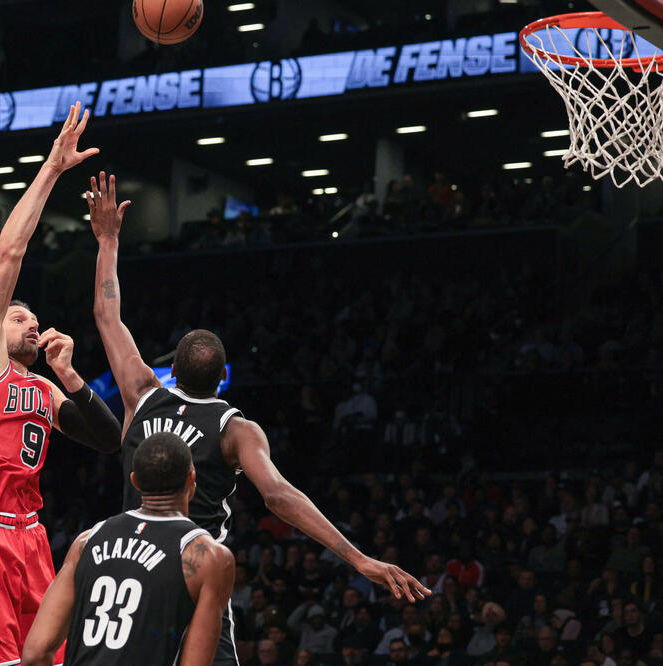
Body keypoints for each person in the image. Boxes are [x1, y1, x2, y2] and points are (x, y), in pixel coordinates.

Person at [84, 171, 431, 666]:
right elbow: (279, 496)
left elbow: (106, 315)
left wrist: (108, 240)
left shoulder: (142, 393)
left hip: (129, 567)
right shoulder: (236, 429)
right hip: (192, 572)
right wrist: (359, 559)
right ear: (222, 376)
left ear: (171, 371)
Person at [0, 102, 122, 666]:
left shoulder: (42, 390)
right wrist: (51, 169)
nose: (31, 323)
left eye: (34, 319)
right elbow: (9, 253)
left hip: (32, 539)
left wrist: (70, 376)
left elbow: (110, 440)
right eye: (20, 317)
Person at [21, 433, 235, 666]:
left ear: (134, 481)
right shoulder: (209, 557)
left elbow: (35, 654)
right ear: (191, 479)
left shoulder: (86, 541)